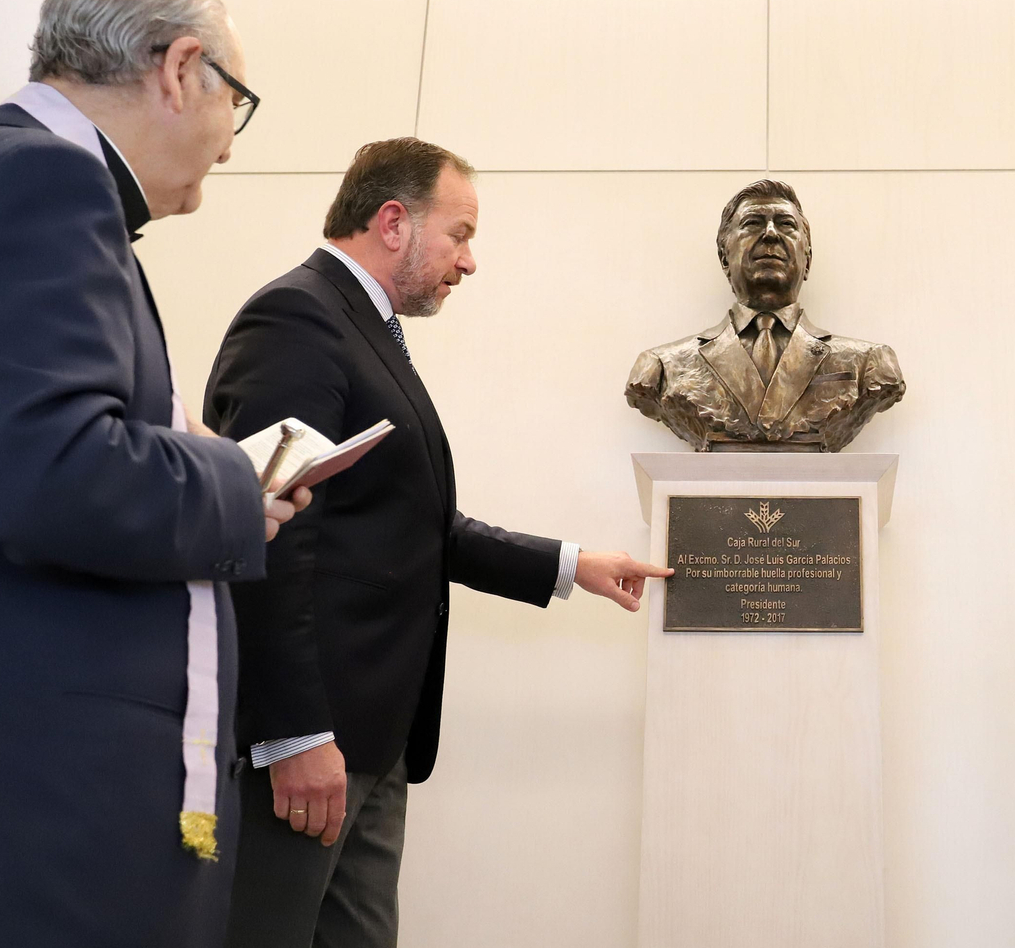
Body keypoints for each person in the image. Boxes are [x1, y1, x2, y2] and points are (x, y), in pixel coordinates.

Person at [0, 0, 306, 946]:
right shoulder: (43, 177)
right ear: (179, 69)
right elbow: (41, 471)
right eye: (236, 103)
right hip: (39, 792)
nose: (229, 146)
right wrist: (228, 478)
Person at [204, 137, 671, 948]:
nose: (470, 261)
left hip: (373, 743)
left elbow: (416, 524)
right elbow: (265, 528)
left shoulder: (367, 329)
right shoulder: (299, 317)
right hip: (314, 741)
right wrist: (296, 732)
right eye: (460, 234)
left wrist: (571, 565)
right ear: (394, 222)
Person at [626, 179, 904, 451]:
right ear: (724, 257)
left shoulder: (868, 364)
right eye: (752, 223)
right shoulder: (663, 367)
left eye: (786, 224)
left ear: (808, 260)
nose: (771, 233)